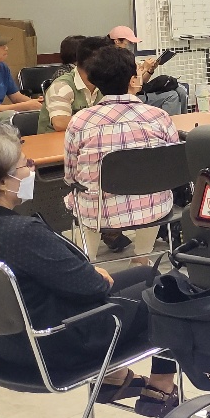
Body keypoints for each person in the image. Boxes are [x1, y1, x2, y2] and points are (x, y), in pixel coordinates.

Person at [0, 124, 179, 417]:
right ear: (3, 182)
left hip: (3, 350)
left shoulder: (4, 230)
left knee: (146, 276)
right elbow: (91, 287)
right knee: (171, 288)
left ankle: (114, 379)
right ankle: (160, 387)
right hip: (56, 348)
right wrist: (92, 275)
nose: (32, 169)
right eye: (26, 164)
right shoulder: (21, 233)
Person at [65, 46, 180, 263]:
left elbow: (71, 176)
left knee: (83, 194)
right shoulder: (159, 117)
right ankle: (142, 258)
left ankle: (86, 264)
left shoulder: (80, 121)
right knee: (152, 187)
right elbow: (172, 166)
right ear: (132, 79)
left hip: (99, 213)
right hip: (154, 208)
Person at [39, 35, 110, 134]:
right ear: (93, 65)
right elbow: (60, 123)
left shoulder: (105, 83)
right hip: (55, 140)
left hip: (89, 138)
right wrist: (102, 119)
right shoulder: (62, 85)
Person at [108, 26, 184, 116]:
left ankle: (184, 119)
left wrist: (150, 70)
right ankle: (169, 123)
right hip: (129, 96)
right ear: (117, 41)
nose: (130, 46)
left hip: (136, 92)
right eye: (128, 43)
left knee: (180, 90)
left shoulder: (125, 56)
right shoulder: (114, 60)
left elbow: (141, 82)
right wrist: (143, 68)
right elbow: (132, 83)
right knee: (172, 96)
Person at [0, 29, 43, 126]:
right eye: (0, 45)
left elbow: (16, 97)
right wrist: (24, 106)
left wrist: (36, 103)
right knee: (12, 116)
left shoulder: (2, 67)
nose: (6, 48)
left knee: (38, 113)